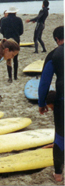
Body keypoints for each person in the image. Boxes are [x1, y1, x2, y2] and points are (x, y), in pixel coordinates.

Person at [38, 26, 64, 182]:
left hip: (62, 100)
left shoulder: (54, 54)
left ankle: (58, 175)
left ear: (56, 39)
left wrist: (42, 103)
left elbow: (44, 82)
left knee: (60, 138)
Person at [0, 6, 24, 83]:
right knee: (15, 58)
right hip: (16, 40)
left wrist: (6, 34)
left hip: (7, 40)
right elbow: (21, 31)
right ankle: (15, 76)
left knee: (8, 58)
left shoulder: (3, 20)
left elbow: (1, 30)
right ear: (15, 12)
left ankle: (10, 77)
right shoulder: (19, 20)